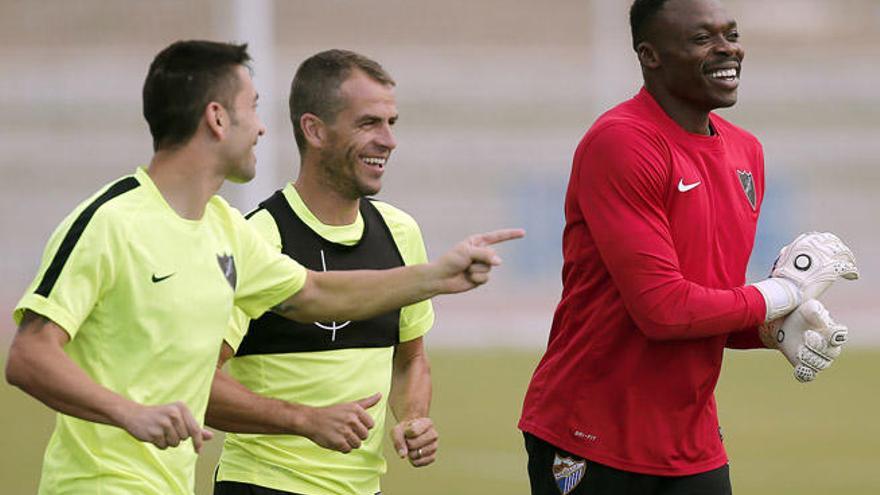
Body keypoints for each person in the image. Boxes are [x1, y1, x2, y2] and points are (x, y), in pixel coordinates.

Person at [5, 40, 522, 495]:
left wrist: (437, 275)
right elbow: (28, 356)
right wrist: (131, 413)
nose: (261, 127)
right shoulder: (112, 220)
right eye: (252, 108)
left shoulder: (222, 228)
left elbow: (314, 293)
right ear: (216, 118)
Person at [518, 1, 852, 494]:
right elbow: (662, 310)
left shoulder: (746, 151)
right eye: (702, 39)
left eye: (731, 34)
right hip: (592, 434)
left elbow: (706, 300)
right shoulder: (622, 142)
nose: (727, 50)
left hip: (692, 443)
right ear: (650, 55)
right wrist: (781, 293)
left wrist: (770, 328)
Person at [206, 49, 438, 495]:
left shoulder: (400, 232)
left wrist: (413, 418)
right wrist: (304, 420)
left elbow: (410, 358)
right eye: (369, 123)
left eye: (392, 123)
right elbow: (196, 381)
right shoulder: (258, 238)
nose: (388, 140)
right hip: (263, 484)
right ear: (314, 129)